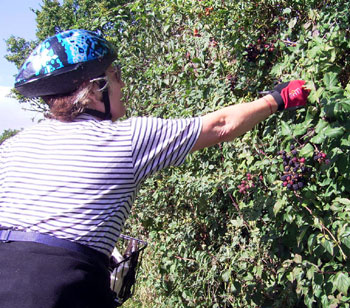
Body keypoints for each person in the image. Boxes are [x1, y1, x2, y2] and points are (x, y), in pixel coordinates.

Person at [0, 29, 310, 308]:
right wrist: (276, 99)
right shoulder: (126, 139)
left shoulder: (13, 146)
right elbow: (221, 126)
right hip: (62, 288)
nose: (122, 83)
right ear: (94, 90)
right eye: (115, 73)